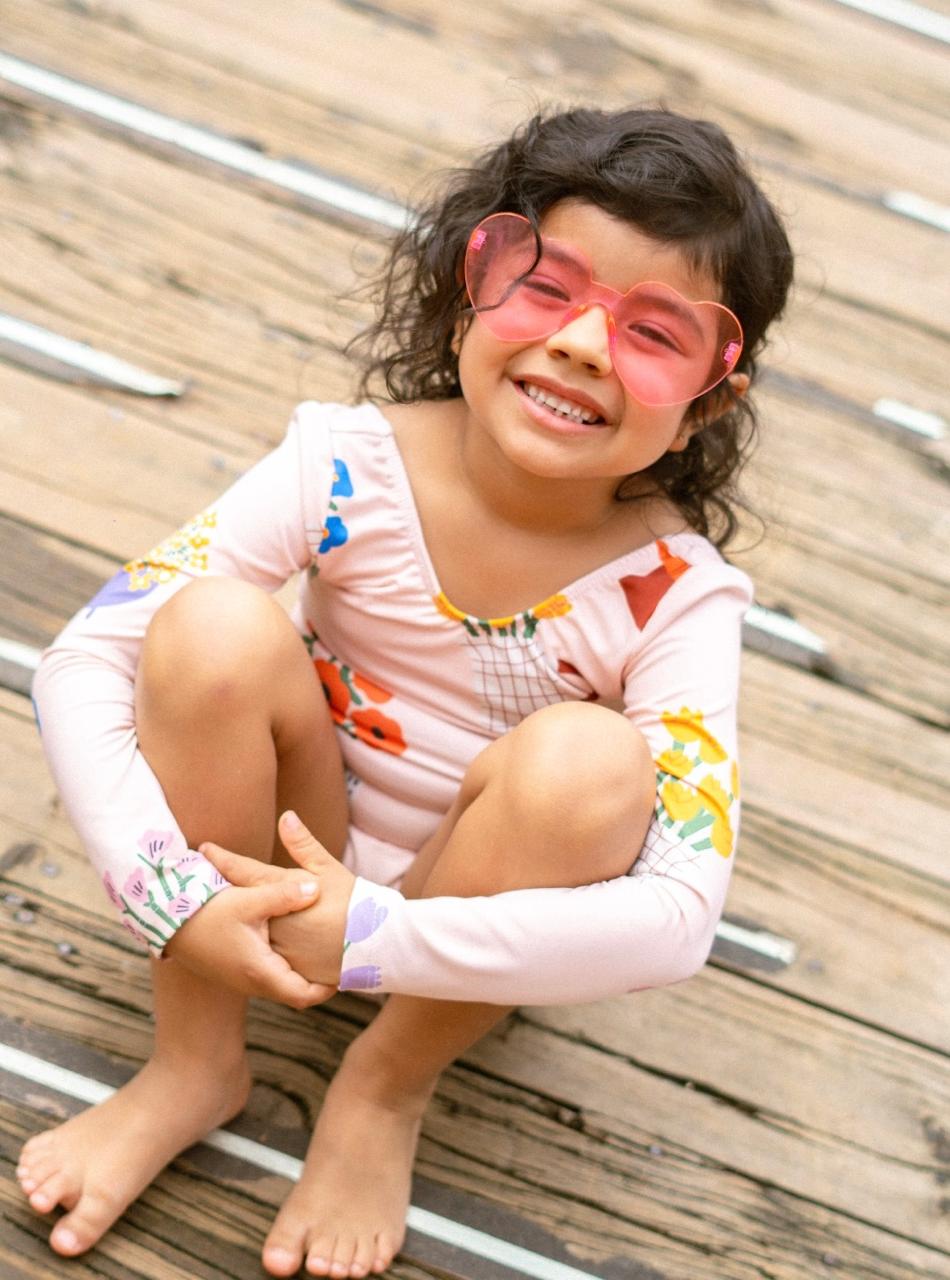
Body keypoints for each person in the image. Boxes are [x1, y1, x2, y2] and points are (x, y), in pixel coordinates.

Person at [19, 106, 793, 1277]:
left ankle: (381, 1088)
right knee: (210, 626)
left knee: (591, 760)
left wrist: (381, 935)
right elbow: (85, 658)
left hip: (473, 901)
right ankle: (193, 1059)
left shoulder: (675, 597)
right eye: (548, 286)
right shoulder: (345, 462)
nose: (584, 343)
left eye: (652, 332)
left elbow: (680, 914)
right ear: (467, 286)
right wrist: (167, 894)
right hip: (283, 840)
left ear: (707, 402)